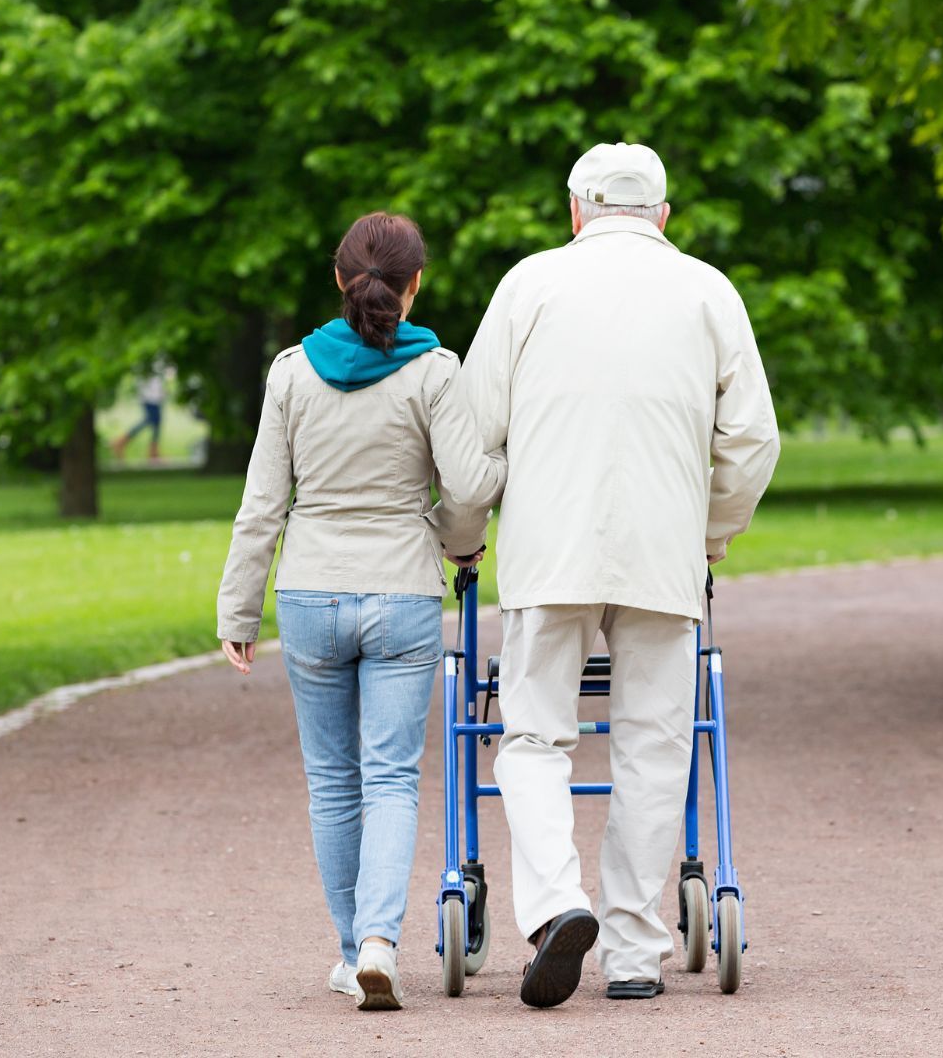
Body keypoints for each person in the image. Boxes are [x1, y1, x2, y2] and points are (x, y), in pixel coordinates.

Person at [454, 142, 779, 1008]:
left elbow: (474, 435)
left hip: (547, 550)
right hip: (661, 552)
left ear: (575, 212)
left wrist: (461, 537)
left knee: (531, 736)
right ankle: (635, 949)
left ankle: (558, 903)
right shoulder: (709, 290)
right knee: (653, 743)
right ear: (663, 217)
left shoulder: (528, 284)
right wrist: (709, 535)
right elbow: (751, 442)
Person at [216, 211, 506, 1011]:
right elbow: (471, 488)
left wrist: (238, 610)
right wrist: (455, 542)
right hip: (402, 595)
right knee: (390, 780)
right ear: (415, 285)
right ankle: (380, 939)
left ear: (339, 279)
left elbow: (262, 506)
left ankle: (352, 953)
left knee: (332, 785)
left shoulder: (290, 373)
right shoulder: (435, 372)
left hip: (310, 594)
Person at [111, 370, 167, 460]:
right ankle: (121, 441)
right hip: (151, 396)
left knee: (155, 422)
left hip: (153, 395)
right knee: (150, 420)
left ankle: (153, 452)